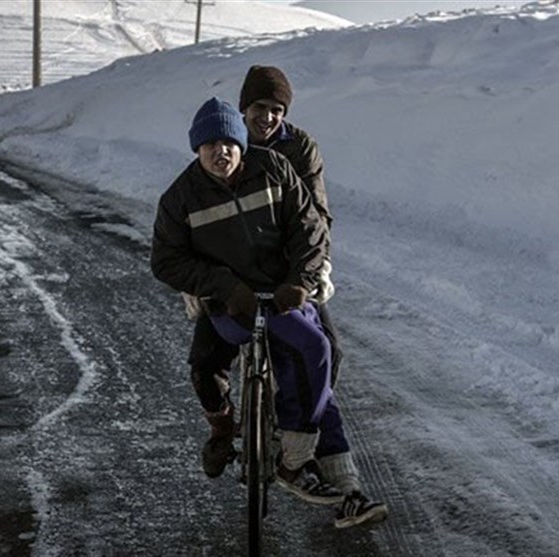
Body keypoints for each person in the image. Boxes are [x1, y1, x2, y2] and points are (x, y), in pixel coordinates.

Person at [151, 97, 387, 527]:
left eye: (228, 142)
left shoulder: (276, 168)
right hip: (229, 303)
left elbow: (310, 228)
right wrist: (222, 286)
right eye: (209, 145)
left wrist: (300, 280)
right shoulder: (180, 197)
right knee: (206, 366)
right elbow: (165, 260)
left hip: (280, 293)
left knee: (316, 348)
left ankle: (295, 457)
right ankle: (227, 431)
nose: (220, 152)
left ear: (241, 143)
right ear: (196, 149)